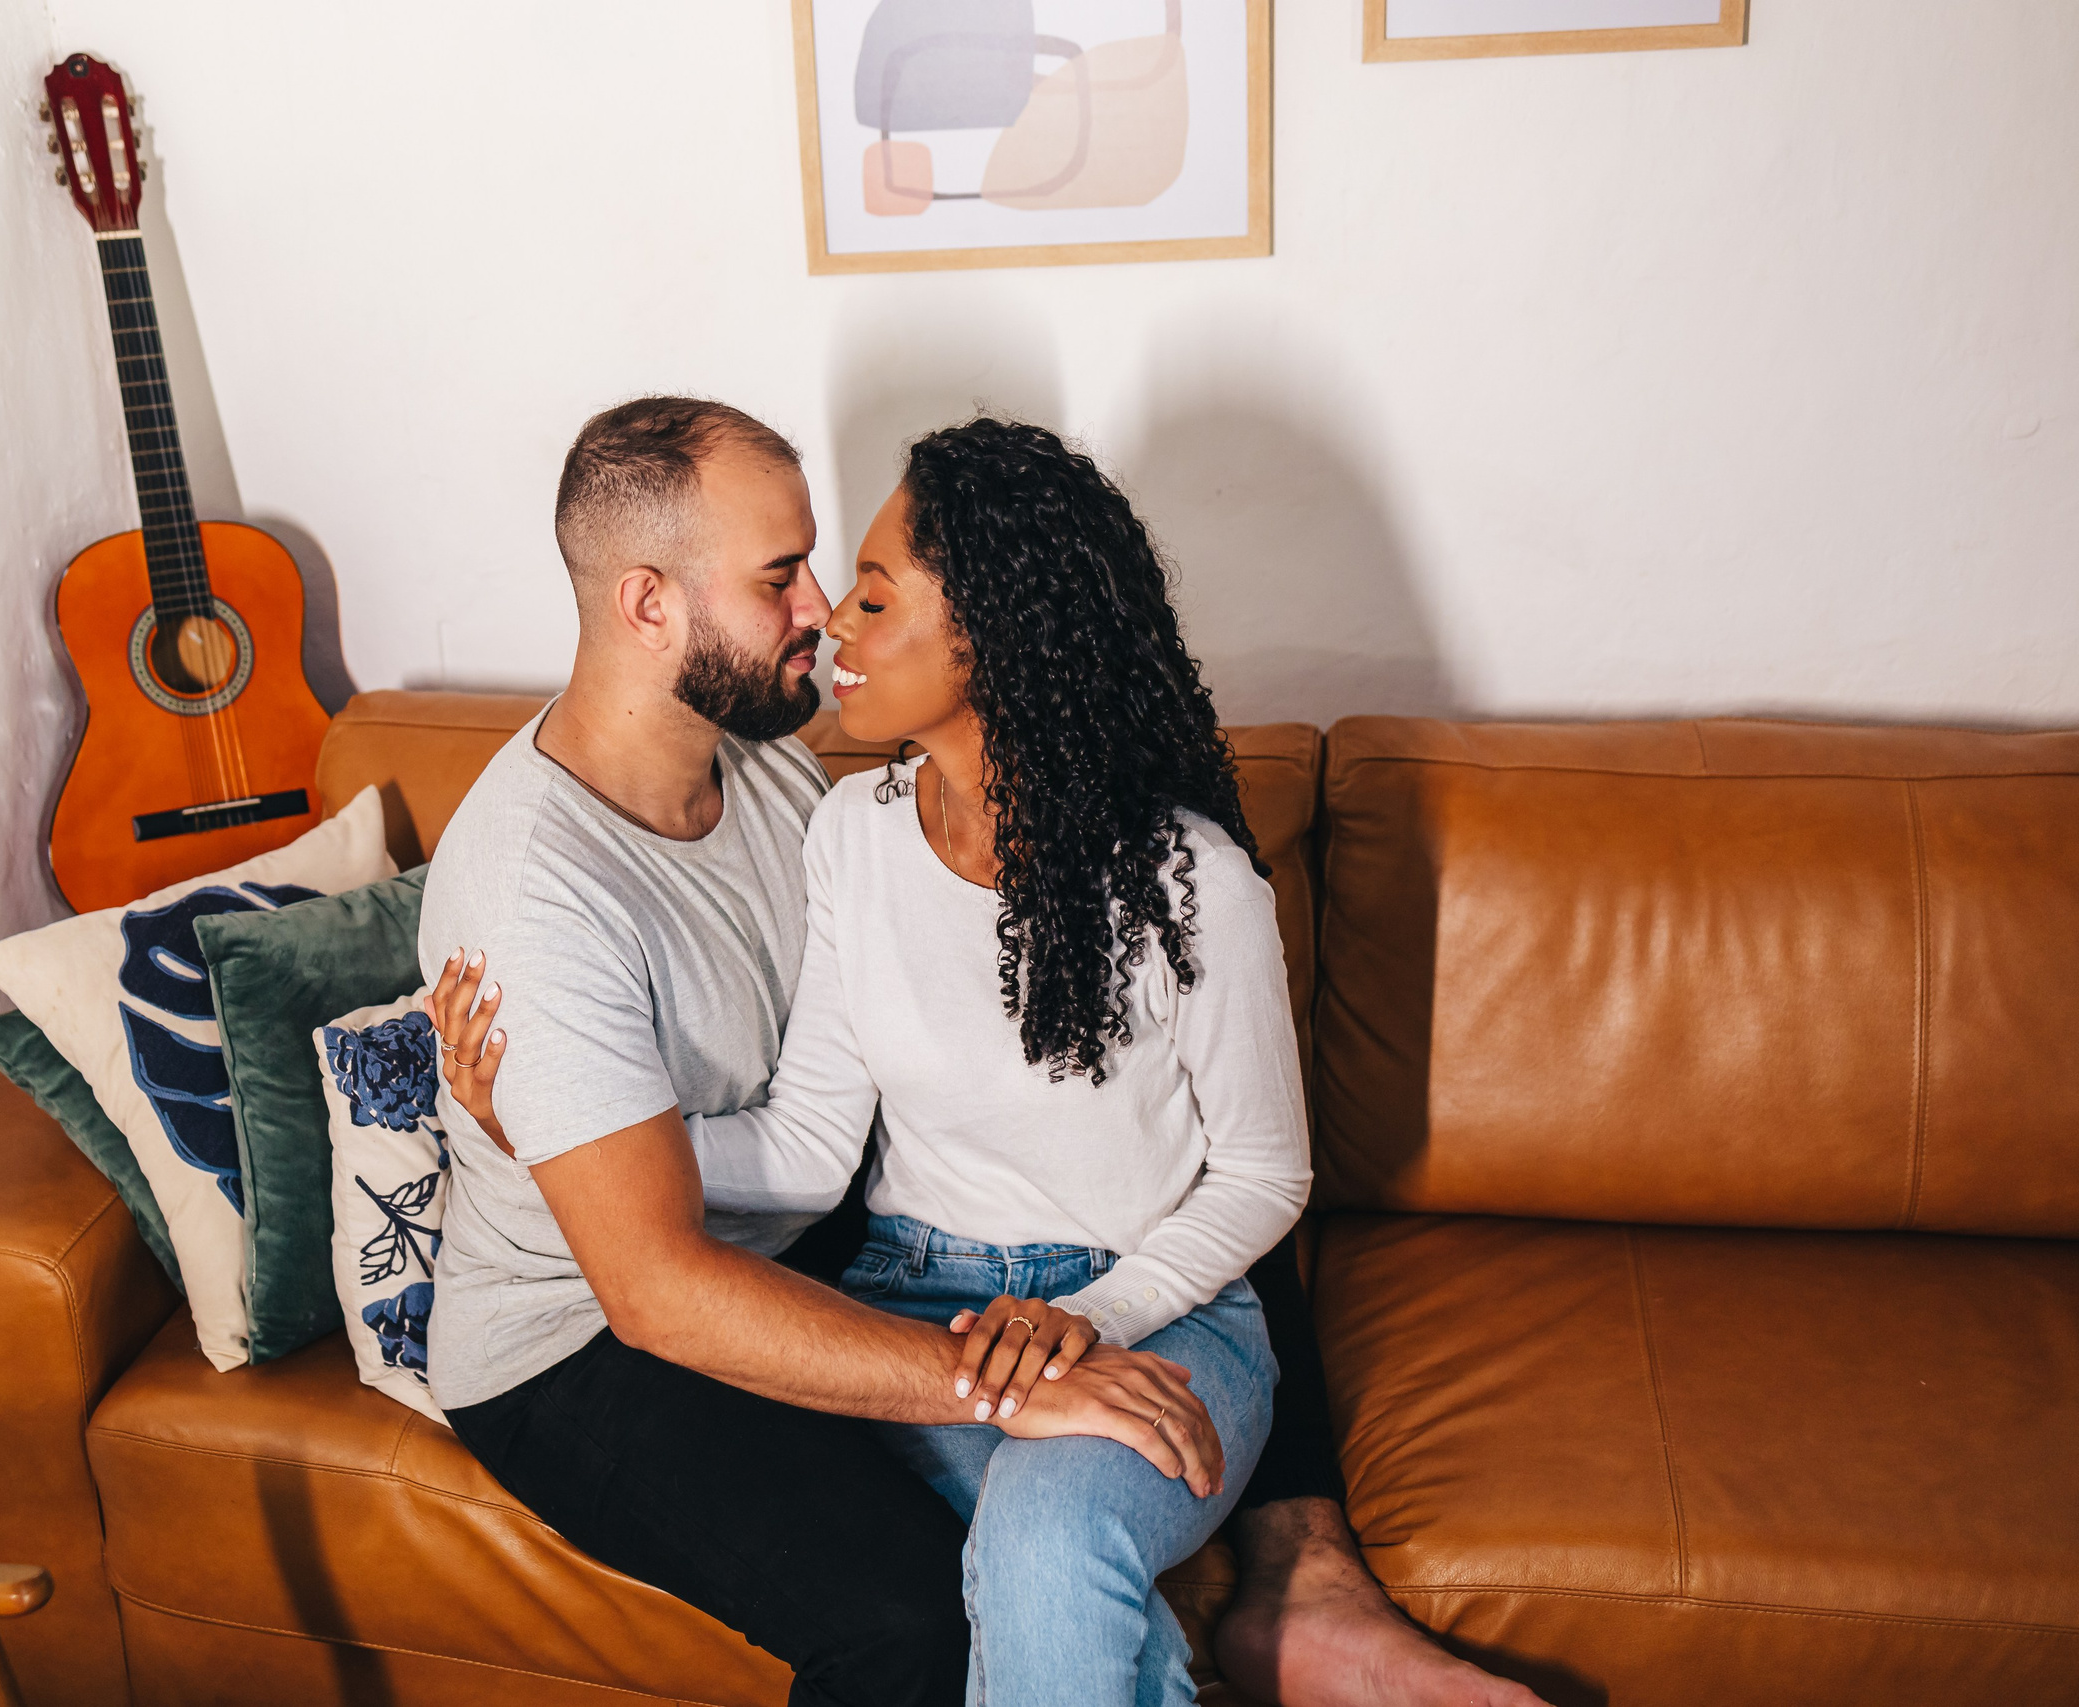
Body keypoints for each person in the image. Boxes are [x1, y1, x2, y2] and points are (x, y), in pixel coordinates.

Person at [422, 395, 1547, 1707]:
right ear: (649, 606)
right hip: (596, 1333)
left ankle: (1307, 1585)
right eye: (785, 579)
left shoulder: (802, 781)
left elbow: (1239, 1167)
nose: (823, 617)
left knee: (1058, 1508)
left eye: (853, 587)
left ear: (993, 638)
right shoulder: (588, 878)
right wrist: (1002, 1379)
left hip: (1027, 1272)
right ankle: (1287, 1617)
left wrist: (1079, 1330)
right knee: (946, 1598)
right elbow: (688, 1256)